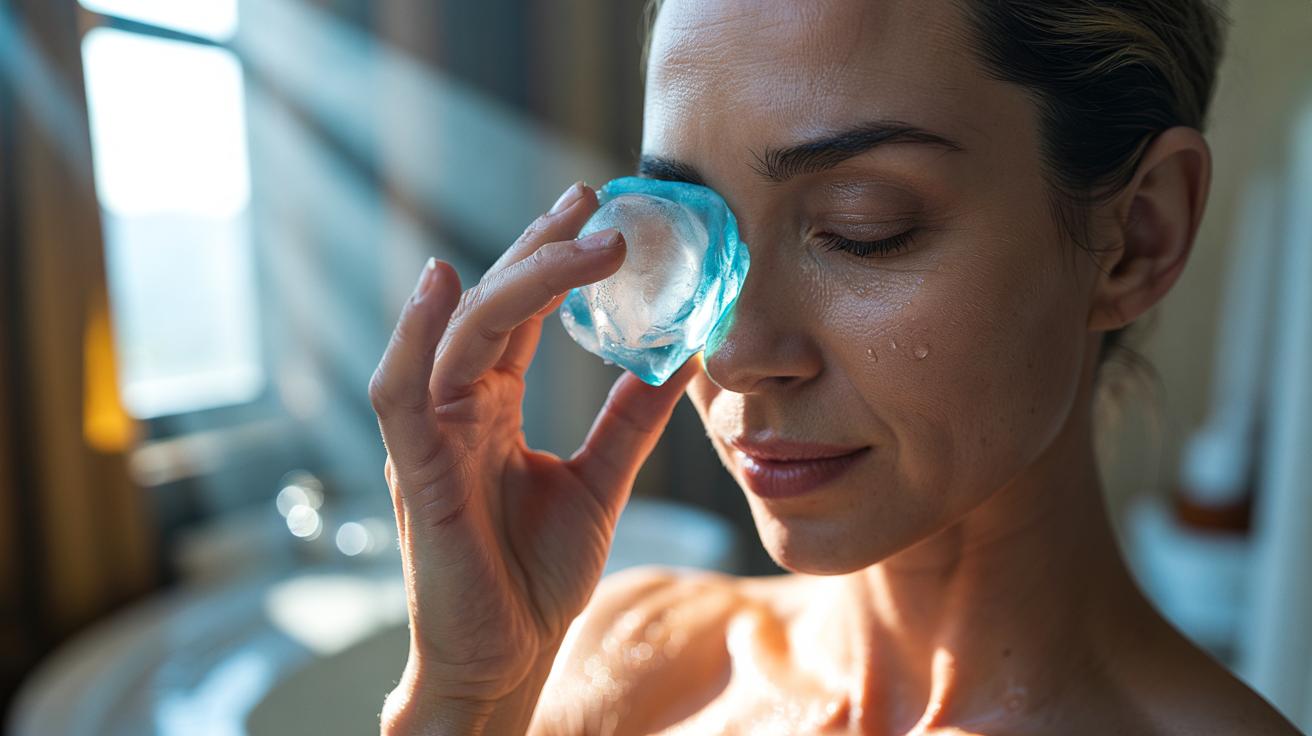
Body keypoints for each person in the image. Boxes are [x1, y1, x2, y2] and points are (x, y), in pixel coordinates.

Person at [370, 0, 1303, 733]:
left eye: (863, 228)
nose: (729, 356)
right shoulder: (621, 661)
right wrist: (466, 700)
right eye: (688, 229)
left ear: (1139, 236)